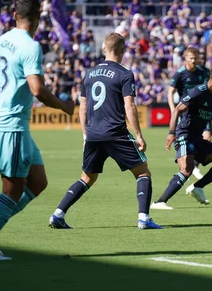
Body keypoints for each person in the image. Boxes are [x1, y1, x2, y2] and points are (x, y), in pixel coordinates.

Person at [0, 0, 75, 260]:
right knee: (13, 189)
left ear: (14, 15)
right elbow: (37, 89)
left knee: (38, 182)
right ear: (38, 18)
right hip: (10, 127)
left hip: (9, 124)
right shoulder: (31, 46)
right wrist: (64, 106)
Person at [48, 32, 163, 230]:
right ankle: (143, 218)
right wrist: (139, 135)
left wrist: (85, 135)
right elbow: (130, 106)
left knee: (87, 178)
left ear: (103, 49)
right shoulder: (124, 74)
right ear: (123, 50)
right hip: (116, 133)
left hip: (93, 134)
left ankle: (58, 214)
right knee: (143, 173)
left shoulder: (89, 73)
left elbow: (82, 108)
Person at [151, 63, 212, 210]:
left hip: (198, 138)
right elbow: (177, 110)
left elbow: (207, 118)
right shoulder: (198, 92)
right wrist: (171, 133)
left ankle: (197, 187)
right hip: (185, 135)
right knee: (186, 169)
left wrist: (208, 129)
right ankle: (160, 202)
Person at [168, 47, 211, 180]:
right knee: (185, 138)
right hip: (185, 111)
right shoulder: (180, 73)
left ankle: (194, 166)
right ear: (186, 58)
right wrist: (172, 109)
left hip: (201, 110)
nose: (193, 61)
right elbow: (170, 92)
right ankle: (185, 167)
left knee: (206, 136)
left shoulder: (203, 72)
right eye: (191, 58)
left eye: (195, 58)